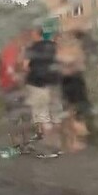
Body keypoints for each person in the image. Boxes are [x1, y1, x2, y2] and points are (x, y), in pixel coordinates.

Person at [23, 28, 62, 158]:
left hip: (39, 84)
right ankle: (58, 146)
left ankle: (49, 149)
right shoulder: (53, 46)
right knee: (56, 114)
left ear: (34, 34)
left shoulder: (32, 48)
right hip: (55, 83)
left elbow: (25, 66)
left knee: (43, 116)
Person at [0, 31, 32, 152]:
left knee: (27, 116)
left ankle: (26, 143)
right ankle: (16, 144)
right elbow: (9, 69)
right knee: (14, 116)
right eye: (25, 37)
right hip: (11, 88)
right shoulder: (10, 50)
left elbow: (25, 67)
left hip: (22, 87)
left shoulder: (22, 50)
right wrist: (18, 79)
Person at [57, 31, 91, 152]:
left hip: (74, 80)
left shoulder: (75, 49)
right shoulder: (64, 50)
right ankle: (73, 140)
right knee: (71, 110)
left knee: (76, 110)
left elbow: (79, 64)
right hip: (68, 81)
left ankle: (74, 139)